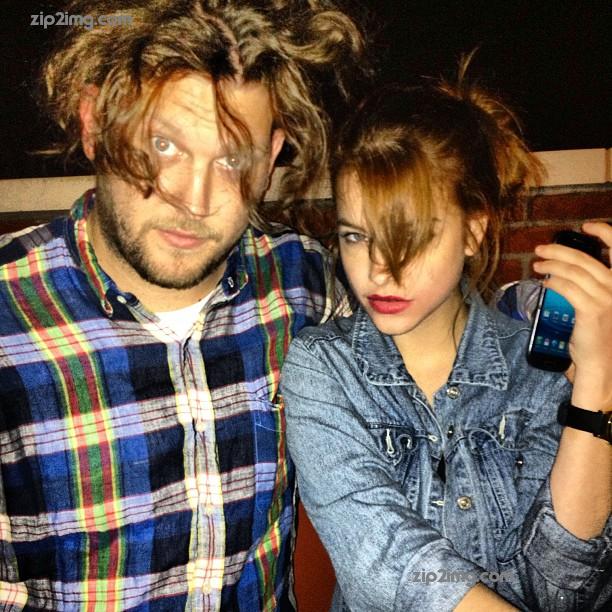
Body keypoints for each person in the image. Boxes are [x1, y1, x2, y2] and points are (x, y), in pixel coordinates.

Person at [0, 1, 367, 609]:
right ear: (94, 123)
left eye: (232, 158)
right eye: (163, 144)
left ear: (271, 157)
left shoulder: (305, 282)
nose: (195, 200)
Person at [281, 68, 612, 611]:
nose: (379, 270)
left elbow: (560, 589)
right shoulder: (324, 365)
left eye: (413, 236)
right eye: (356, 236)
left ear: (473, 231)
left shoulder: (540, 368)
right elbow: (385, 562)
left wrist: (597, 384)